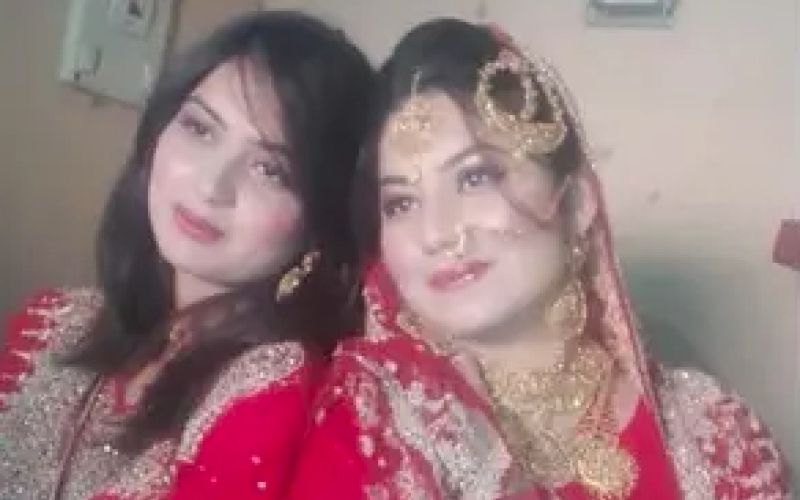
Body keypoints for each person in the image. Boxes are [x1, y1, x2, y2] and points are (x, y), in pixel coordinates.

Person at [290, 19, 788, 499]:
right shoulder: (370, 427)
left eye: (475, 177)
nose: (437, 233)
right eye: (400, 203)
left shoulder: (710, 430)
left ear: (578, 203)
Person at [0, 11, 373, 499]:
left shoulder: (272, 390)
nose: (211, 184)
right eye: (200, 128)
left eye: (269, 169)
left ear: (321, 222)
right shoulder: (53, 323)